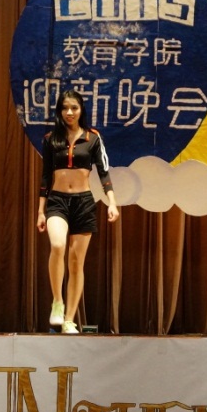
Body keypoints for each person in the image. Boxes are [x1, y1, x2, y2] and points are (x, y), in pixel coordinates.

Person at [36, 90, 118, 334]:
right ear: (59, 111)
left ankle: (69, 320)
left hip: (83, 202)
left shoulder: (93, 138)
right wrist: (40, 211)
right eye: (64, 108)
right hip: (57, 201)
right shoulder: (51, 139)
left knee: (76, 263)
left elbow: (103, 172)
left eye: (74, 108)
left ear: (81, 110)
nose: (69, 112)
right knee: (57, 245)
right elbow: (45, 176)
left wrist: (112, 202)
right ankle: (57, 302)